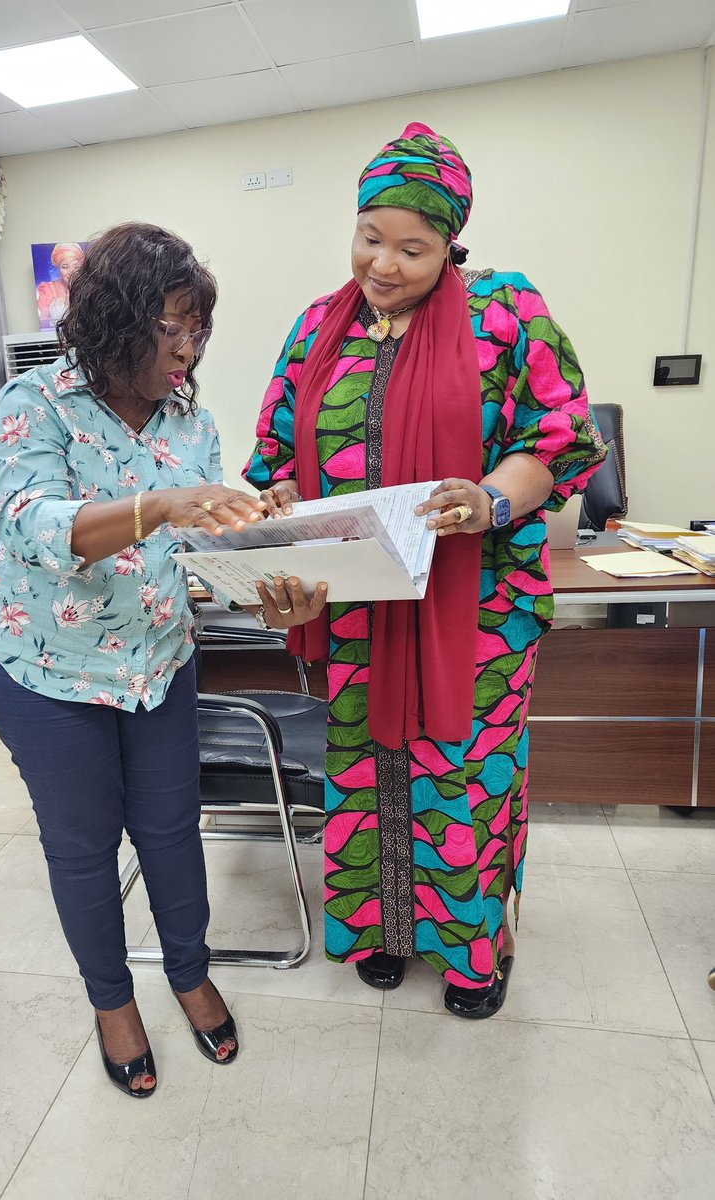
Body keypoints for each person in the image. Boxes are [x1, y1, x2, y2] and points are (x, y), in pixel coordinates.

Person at [244, 123, 606, 1017]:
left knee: (460, 778)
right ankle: (388, 930)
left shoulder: (506, 313)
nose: (385, 263)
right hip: (360, 605)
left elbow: (562, 439)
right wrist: (279, 504)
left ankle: (477, 947)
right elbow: (272, 455)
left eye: (413, 246)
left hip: (475, 608)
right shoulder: (315, 331)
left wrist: (491, 501)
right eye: (371, 237)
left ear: (452, 243)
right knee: (368, 773)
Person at [0, 222, 268, 1097]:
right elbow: (34, 527)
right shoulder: (35, 405)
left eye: (197, 331)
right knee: (82, 847)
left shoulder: (194, 422)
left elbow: (198, 563)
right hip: (51, 677)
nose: (184, 351)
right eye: (167, 329)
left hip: (160, 666)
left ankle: (188, 971)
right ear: (113, 323)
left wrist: (265, 570)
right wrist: (164, 502)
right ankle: (113, 1001)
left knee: (175, 833)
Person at [36, 241, 85, 329]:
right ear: (58, 268)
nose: (71, 272)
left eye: (76, 267)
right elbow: (43, 324)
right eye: (65, 267)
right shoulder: (47, 289)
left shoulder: (89, 287)